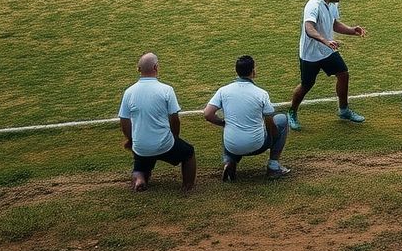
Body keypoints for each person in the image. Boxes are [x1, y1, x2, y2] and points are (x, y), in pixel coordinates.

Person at [288, 0, 367, 130]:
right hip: (311, 54)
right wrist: (325, 41)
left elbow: (334, 24)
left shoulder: (332, 3)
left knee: (343, 74)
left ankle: (343, 110)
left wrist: (352, 30)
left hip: (327, 50)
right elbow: (309, 28)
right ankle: (292, 112)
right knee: (306, 85)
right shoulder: (313, 6)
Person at [118, 52, 196, 192]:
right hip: (164, 144)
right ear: (156, 67)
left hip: (141, 146)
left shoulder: (128, 92)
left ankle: (139, 179)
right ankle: (187, 186)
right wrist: (175, 137)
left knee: (140, 163)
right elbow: (174, 119)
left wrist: (131, 139)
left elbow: (124, 120)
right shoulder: (166, 90)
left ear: (139, 69)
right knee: (189, 153)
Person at [203, 55, 290, 181]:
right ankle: (273, 167)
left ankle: (229, 161)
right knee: (282, 119)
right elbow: (270, 123)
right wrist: (274, 137)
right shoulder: (261, 93)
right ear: (253, 72)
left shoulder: (223, 91)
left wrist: (223, 123)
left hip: (232, 146)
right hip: (257, 146)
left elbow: (208, 114)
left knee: (230, 126)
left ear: (236, 71)